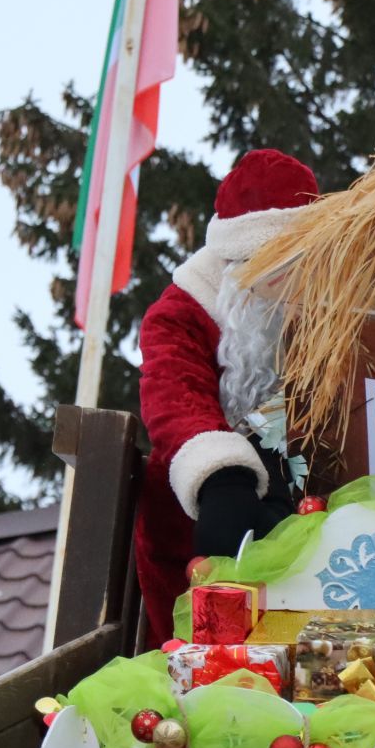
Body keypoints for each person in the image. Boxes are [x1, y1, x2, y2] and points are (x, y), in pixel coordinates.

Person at [132, 148, 320, 646]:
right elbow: (174, 396)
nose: (277, 283)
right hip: (211, 510)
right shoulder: (183, 311)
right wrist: (222, 479)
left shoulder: (331, 307)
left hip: (310, 504)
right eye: (262, 263)